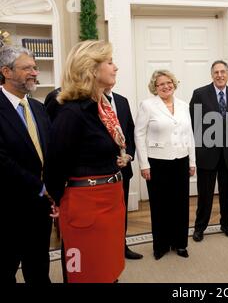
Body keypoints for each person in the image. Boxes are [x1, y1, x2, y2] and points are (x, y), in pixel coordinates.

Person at [44, 40, 130, 283]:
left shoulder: (102, 108)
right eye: (110, 62)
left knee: (109, 268)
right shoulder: (72, 112)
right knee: (83, 271)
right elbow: (54, 165)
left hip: (111, 200)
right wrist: (58, 200)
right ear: (92, 69)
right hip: (85, 206)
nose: (116, 67)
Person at [0, 45, 57, 283]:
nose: (34, 72)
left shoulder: (38, 107)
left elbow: (49, 151)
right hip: (8, 206)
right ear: (6, 71)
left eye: (35, 67)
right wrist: (40, 186)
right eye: (27, 68)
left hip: (39, 205)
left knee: (38, 264)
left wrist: (52, 187)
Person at [135, 69, 196, 260]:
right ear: (155, 87)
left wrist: (192, 161)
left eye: (169, 82)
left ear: (174, 83)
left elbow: (189, 135)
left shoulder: (184, 105)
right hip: (156, 162)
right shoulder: (147, 105)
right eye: (161, 84)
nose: (166, 86)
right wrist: (144, 164)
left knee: (180, 204)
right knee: (160, 205)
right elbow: (139, 134)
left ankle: (180, 244)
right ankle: (160, 245)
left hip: (181, 160)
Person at [189, 60, 228, 242]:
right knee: (205, 194)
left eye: (223, 72)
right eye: (216, 72)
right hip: (207, 153)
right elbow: (194, 124)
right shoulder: (200, 94)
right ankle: (199, 227)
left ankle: (226, 224)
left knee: (227, 193)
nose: (219, 75)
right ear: (212, 75)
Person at [104, 87, 143, 260]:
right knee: (105, 216)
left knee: (122, 210)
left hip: (124, 168)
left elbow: (130, 132)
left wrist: (129, 156)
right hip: (101, 172)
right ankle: (106, 250)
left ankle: (122, 245)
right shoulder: (91, 101)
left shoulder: (122, 100)